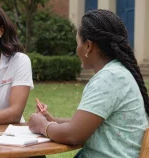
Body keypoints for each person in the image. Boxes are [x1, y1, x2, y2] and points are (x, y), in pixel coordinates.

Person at [28, 9, 149, 157]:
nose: (76, 49)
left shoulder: (109, 78)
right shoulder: (119, 73)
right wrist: (53, 121)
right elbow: (87, 124)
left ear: (88, 46)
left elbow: (74, 134)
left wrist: (43, 126)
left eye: (77, 42)